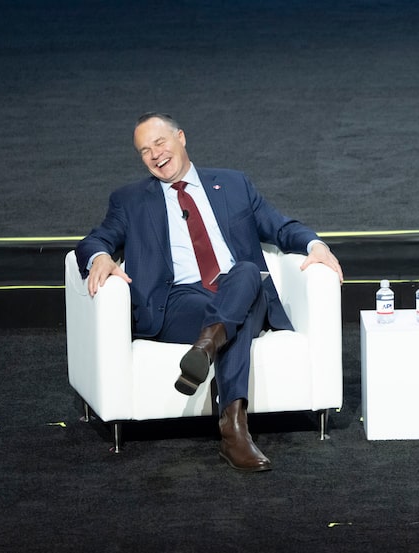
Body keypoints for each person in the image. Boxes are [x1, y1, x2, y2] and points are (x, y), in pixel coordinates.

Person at [76, 112, 343, 472]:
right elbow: (96, 239)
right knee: (237, 317)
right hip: (177, 303)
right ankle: (234, 432)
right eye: (144, 151)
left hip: (239, 287)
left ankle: (205, 349)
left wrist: (315, 244)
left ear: (181, 138)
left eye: (160, 143)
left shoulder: (233, 184)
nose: (155, 155)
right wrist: (100, 257)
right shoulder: (131, 200)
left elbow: (280, 227)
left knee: (247, 272)